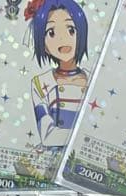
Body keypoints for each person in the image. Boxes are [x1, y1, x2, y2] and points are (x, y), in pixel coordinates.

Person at [28, 0, 90, 149]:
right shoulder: (41, 83)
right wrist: (85, 137)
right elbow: (48, 135)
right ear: (43, 45)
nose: (62, 39)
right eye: (51, 33)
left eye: (71, 30)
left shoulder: (93, 79)